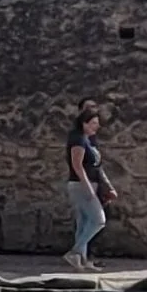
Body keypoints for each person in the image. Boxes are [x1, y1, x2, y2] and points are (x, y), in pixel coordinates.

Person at [64, 105, 116, 271]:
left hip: (89, 184)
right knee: (99, 220)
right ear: (84, 123)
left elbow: (97, 167)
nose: (96, 126)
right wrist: (88, 187)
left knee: (84, 222)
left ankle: (82, 260)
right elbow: (77, 166)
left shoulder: (88, 140)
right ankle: (75, 252)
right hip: (81, 185)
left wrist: (106, 186)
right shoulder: (78, 140)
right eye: (93, 123)